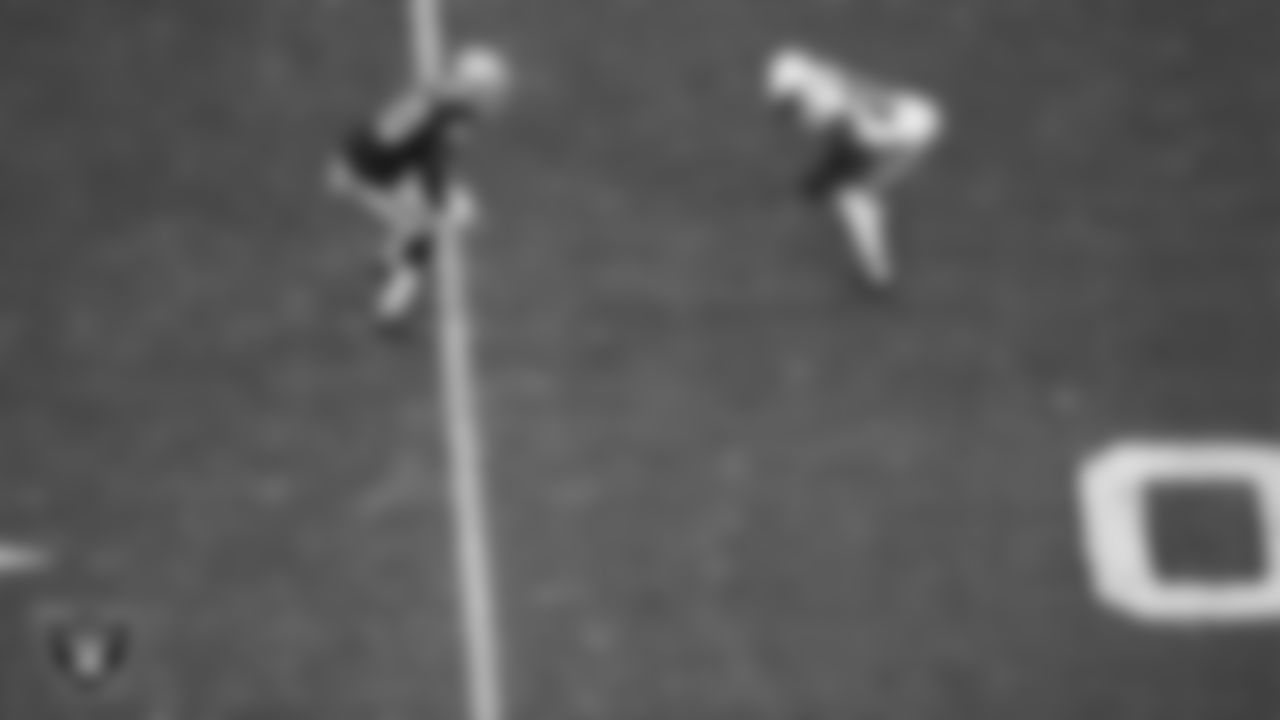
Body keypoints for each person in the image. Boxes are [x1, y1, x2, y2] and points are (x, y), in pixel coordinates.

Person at [329, 44, 510, 324]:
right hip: (365, 176)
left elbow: (406, 139)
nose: (494, 96)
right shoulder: (451, 117)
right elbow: (433, 170)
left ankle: (385, 263)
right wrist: (441, 208)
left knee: (420, 213)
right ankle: (390, 311)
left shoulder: (440, 92)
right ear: (475, 88)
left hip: (366, 162)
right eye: (490, 89)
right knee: (427, 229)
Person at [765, 47, 943, 290]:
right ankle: (877, 272)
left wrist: (821, 181)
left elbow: (850, 153)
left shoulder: (820, 106)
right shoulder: (824, 77)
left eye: (786, 99)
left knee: (854, 196)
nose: (785, 108)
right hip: (910, 113)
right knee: (852, 191)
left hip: (911, 136)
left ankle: (879, 277)